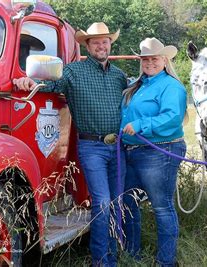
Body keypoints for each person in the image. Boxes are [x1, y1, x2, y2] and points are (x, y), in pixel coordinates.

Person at [13, 22, 127, 267]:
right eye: (95, 42)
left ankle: (115, 255)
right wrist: (28, 82)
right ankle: (102, 261)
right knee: (102, 203)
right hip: (92, 147)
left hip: (117, 147)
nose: (101, 45)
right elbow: (51, 84)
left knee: (118, 201)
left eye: (105, 41)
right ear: (87, 45)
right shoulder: (74, 71)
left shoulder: (119, 76)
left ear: (110, 44)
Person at [121, 37, 187, 266]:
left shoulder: (172, 86)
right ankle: (132, 254)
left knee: (161, 206)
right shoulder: (138, 86)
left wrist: (140, 125)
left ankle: (166, 261)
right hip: (132, 151)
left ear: (164, 60)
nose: (149, 62)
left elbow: (173, 117)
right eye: (145, 59)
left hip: (159, 150)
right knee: (128, 202)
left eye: (154, 58)